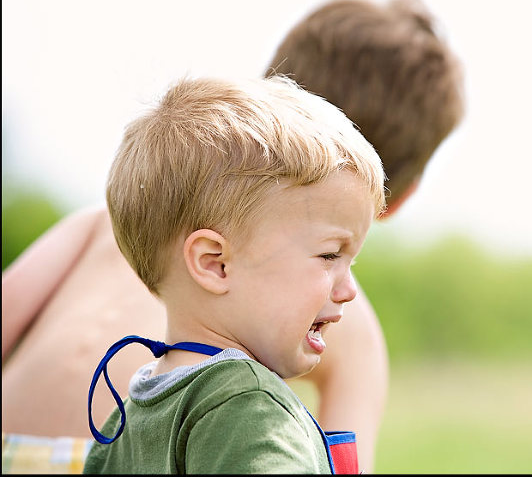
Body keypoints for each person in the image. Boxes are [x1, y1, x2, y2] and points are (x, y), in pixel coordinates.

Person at [1, 0, 464, 473]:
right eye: (329, 255)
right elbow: (349, 465)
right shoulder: (337, 315)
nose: (340, 281)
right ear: (399, 196)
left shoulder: (112, 217)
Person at [82, 75, 386, 473]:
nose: (348, 290)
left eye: (351, 262)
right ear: (215, 263)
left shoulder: (127, 421)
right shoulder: (249, 406)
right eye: (329, 255)